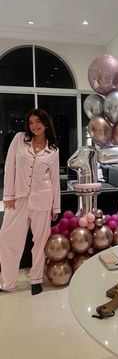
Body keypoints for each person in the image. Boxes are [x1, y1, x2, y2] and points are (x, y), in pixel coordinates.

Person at [0, 109, 61, 295]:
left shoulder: (53, 150)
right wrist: (8, 195)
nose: (34, 125)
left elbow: (54, 179)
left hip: (43, 200)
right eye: (31, 122)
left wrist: (55, 206)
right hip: (18, 199)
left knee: (39, 242)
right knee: (7, 237)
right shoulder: (19, 139)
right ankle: (9, 282)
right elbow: (10, 167)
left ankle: (36, 279)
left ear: (45, 123)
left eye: (38, 121)